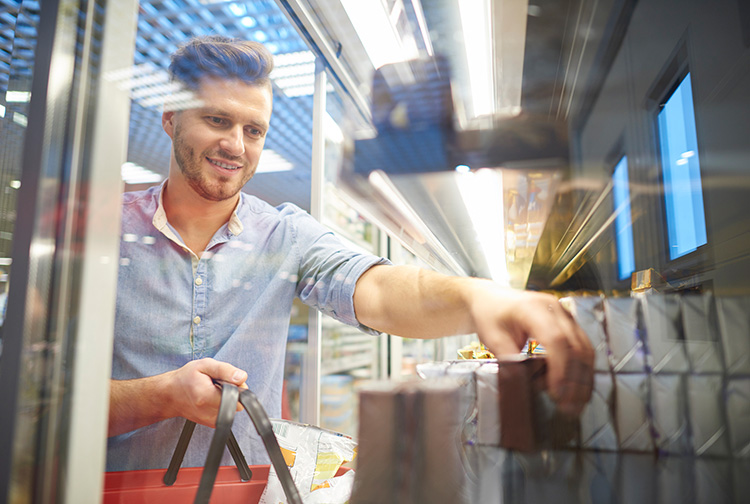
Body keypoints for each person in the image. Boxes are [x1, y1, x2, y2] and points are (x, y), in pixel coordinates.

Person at [107, 35, 593, 471]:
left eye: (254, 130)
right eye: (217, 120)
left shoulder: (284, 234)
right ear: (170, 119)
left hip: (249, 493)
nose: (235, 144)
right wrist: (162, 396)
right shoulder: (104, 234)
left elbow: (379, 289)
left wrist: (482, 298)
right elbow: (39, 406)